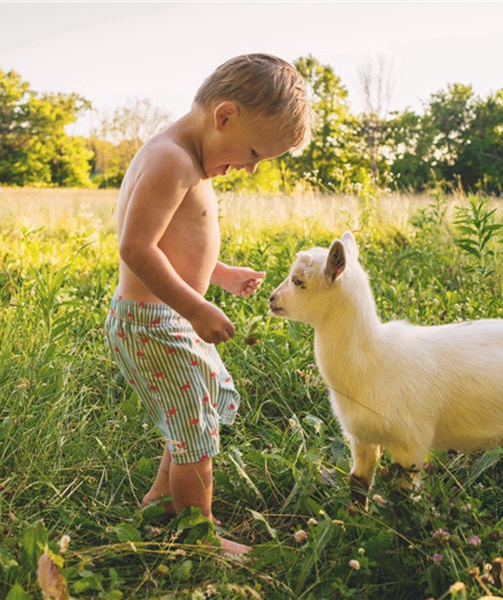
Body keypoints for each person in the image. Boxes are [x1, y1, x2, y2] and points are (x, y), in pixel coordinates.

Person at [104, 53, 312, 554]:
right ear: (224, 117)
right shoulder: (172, 160)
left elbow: (168, 245)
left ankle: (162, 500)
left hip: (163, 317)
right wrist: (196, 309)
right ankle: (199, 537)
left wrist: (218, 275)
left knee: (192, 412)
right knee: (196, 437)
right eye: (254, 152)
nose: (249, 167)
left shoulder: (179, 157)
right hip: (155, 322)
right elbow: (135, 247)